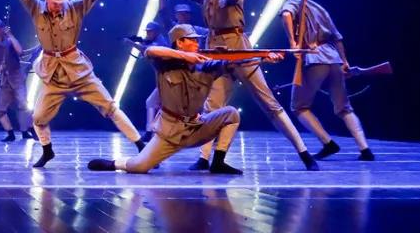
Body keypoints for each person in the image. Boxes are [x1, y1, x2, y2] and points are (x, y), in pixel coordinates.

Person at [171, 0, 318, 171]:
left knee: (269, 103)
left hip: (238, 48)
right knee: (212, 107)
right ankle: (205, 158)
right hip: (216, 52)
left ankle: (304, 153)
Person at [87, 24, 283, 175]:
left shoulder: (205, 66)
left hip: (196, 128)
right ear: (179, 43)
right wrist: (184, 56)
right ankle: (114, 163)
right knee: (139, 167)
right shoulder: (164, 64)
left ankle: (218, 162)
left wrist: (262, 58)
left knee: (231, 114)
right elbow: (150, 51)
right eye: (192, 40)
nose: (197, 44)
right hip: (170, 133)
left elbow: (235, 63)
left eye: (197, 41)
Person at [13, 0, 144, 168]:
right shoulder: (36, 8)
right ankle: (47, 150)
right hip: (53, 74)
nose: (58, 4)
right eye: (54, 0)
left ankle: (141, 146)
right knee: (38, 117)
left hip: (78, 70)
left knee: (110, 107)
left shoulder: (74, 9)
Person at [279, 0, 374, 161]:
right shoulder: (319, 8)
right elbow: (337, 37)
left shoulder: (294, 3)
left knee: (298, 106)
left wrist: (292, 42)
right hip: (334, 58)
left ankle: (328, 143)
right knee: (344, 107)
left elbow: (286, 14)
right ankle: (365, 149)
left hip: (315, 58)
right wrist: (344, 61)